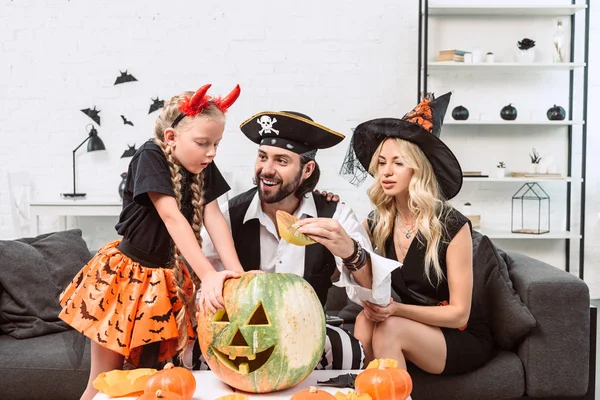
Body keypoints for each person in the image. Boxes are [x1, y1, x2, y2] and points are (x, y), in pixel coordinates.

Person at [58, 84, 244, 400]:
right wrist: (209, 274)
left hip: (165, 282)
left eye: (216, 144)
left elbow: (213, 217)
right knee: (106, 382)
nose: (211, 152)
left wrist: (239, 275)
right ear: (171, 137)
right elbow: (172, 218)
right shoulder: (150, 155)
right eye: (203, 143)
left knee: (151, 383)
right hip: (126, 280)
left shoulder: (202, 166)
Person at [182, 111, 400, 371]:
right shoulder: (230, 215)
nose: (267, 169)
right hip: (240, 333)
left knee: (346, 349)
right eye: (262, 157)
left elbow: (374, 296)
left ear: (307, 169)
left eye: (281, 161)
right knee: (188, 352)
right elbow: (198, 283)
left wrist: (351, 252)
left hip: (306, 331)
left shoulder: (334, 215)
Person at [332, 92, 495, 375]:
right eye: (381, 163)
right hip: (407, 324)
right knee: (363, 322)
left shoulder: (452, 226)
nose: (386, 172)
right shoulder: (377, 222)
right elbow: (356, 276)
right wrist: (329, 211)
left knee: (388, 329)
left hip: (458, 333)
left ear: (418, 169)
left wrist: (396, 310)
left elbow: (459, 314)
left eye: (398, 163)